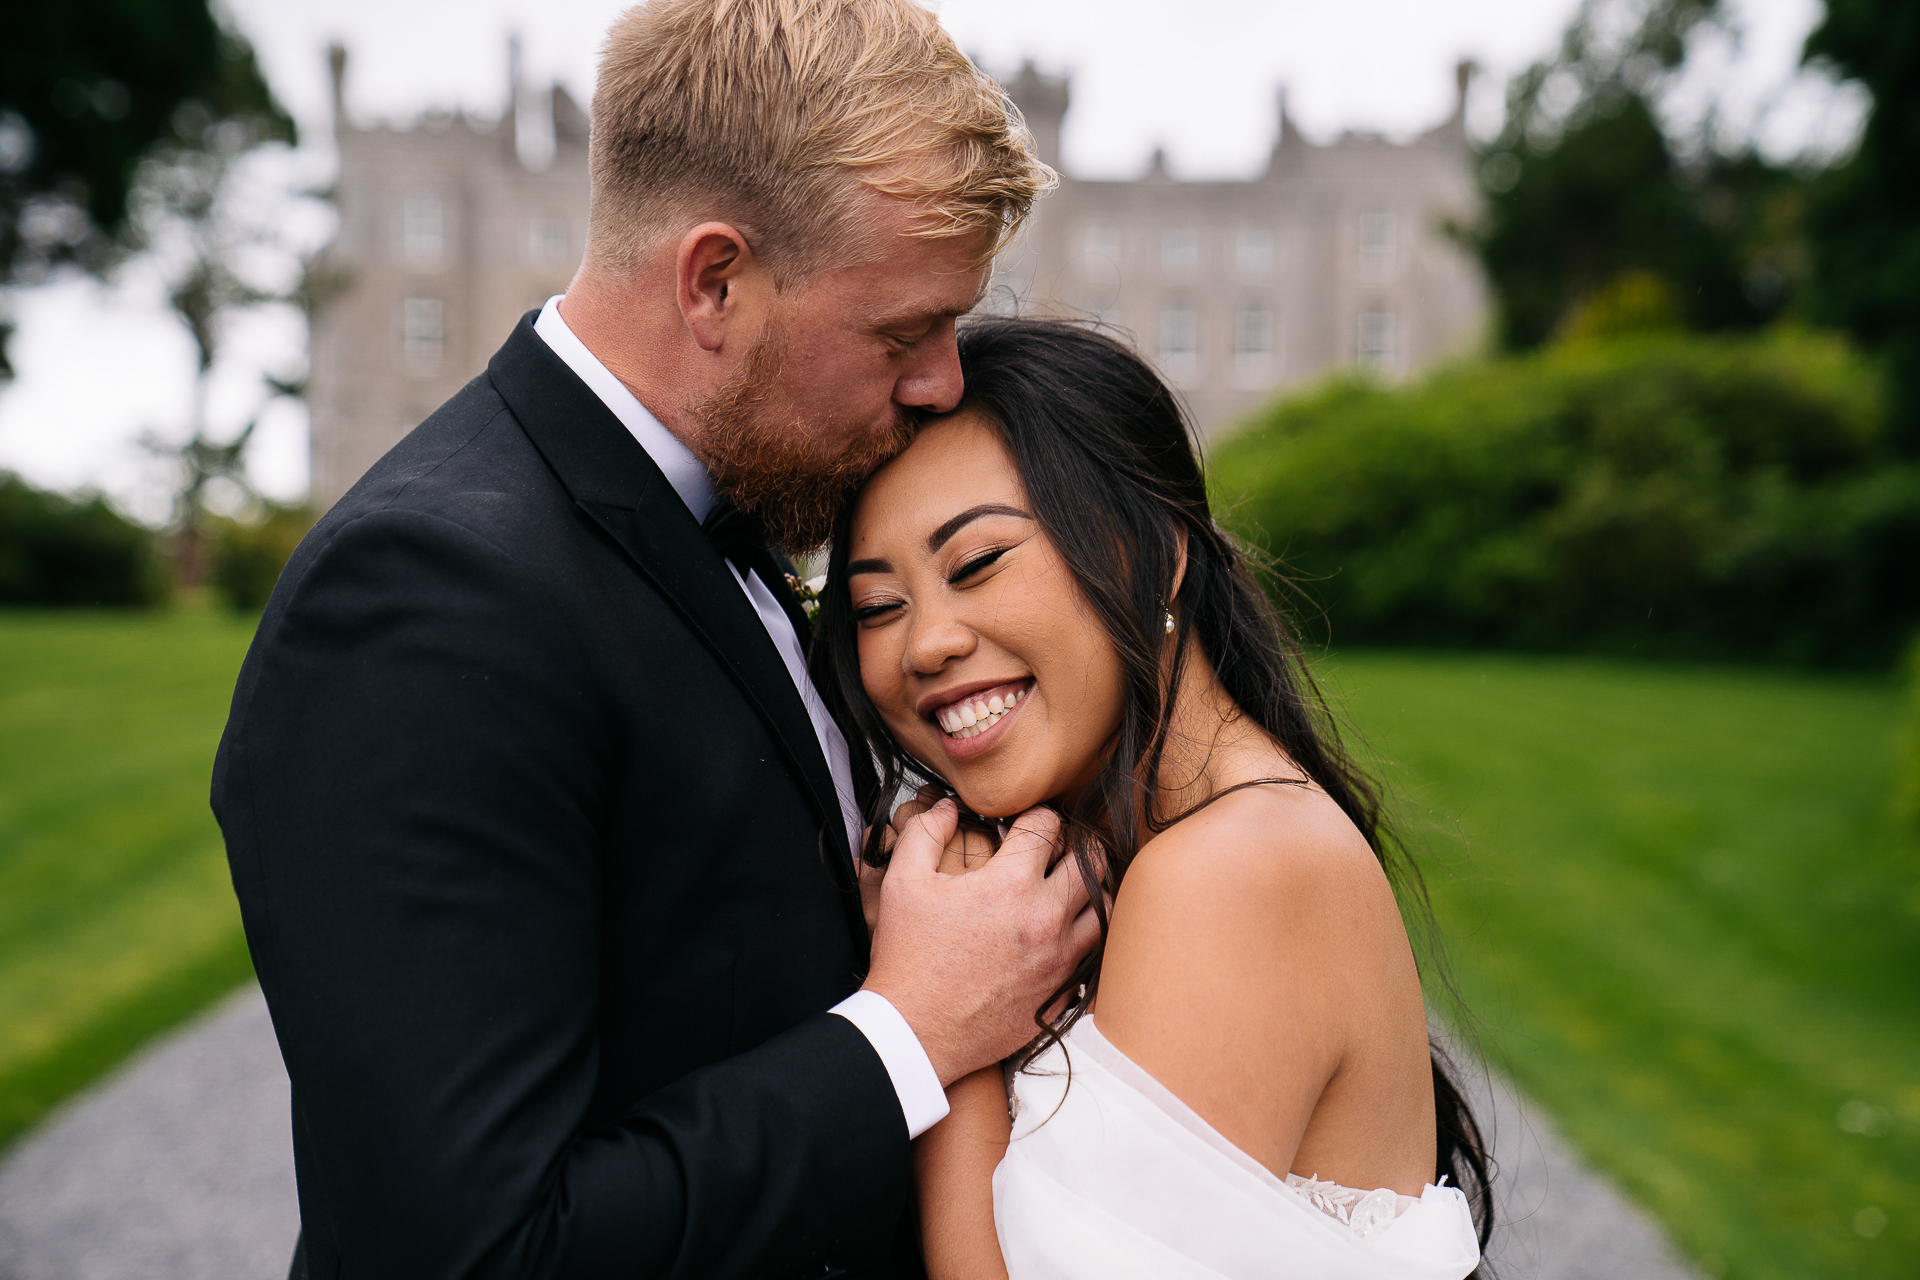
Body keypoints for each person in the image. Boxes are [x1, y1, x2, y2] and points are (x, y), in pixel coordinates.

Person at [210, 4, 1099, 1277]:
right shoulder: (425, 598)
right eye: (901, 332)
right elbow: (477, 1249)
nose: (944, 384)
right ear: (715, 281)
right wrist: (909, 1029)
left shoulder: (712, 516)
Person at [813, 317, 1495, 1279]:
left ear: (1158, 549)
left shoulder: (1231, 872)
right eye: (878, 606)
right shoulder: (1139, 848)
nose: (924, 645)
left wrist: (939, 1020)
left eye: (977, 564)